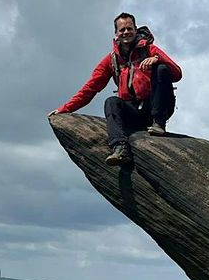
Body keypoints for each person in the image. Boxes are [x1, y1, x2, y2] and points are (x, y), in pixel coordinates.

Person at [48, 13, 182, 166]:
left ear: (136, 30)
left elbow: (177, 73)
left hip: (157, 107)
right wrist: (65, 109)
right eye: (122, 29)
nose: (126, 32)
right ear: (116, 33)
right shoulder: (111, 60)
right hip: (133, 109)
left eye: (129, 29)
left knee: (162, 69)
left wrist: (157, 59)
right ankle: (120, 148)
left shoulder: (150, 49)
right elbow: (90, 88)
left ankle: (158, 124)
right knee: (111, 102)